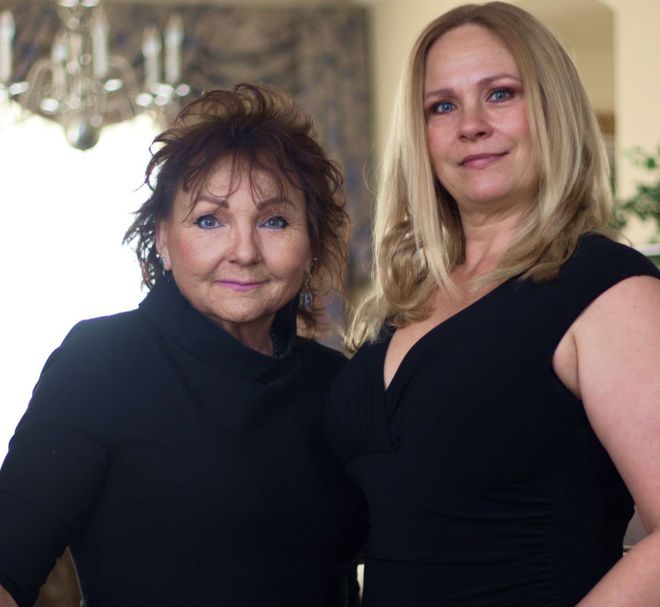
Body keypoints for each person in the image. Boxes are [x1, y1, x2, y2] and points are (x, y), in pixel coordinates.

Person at [325, 3, 660, 606]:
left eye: (501, 94)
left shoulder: (609, 290)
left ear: (553, 110)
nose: (470, 125)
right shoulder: (398, 304)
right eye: (442, 106)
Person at [0, 83, 366, 607]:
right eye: (210, 219)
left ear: (311, 244)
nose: (243, 251)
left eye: (274, 220)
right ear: (163, 241)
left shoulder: (338, 383)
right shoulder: (101, 362)